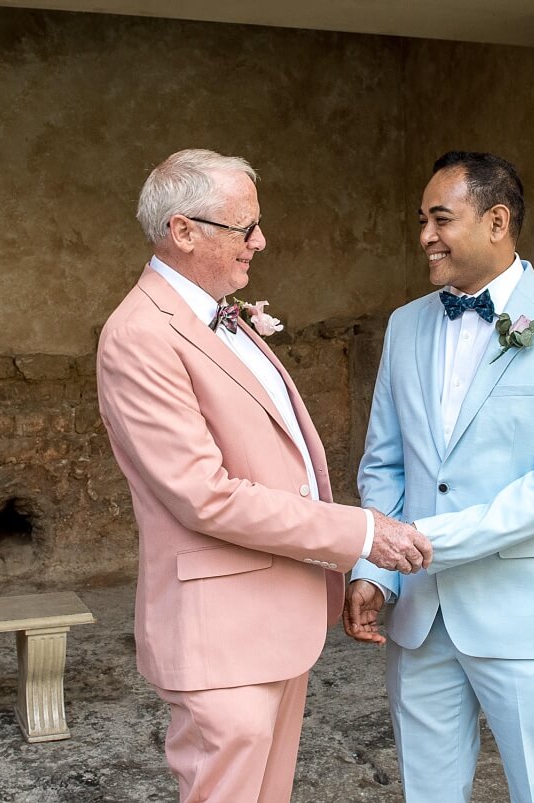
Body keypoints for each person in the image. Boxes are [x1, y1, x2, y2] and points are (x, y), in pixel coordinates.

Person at [96, 148, 432, 803]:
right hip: (219, 629)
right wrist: (360, 532)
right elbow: (206, 496)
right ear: (182, 231)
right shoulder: (139, 334)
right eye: (243, 227)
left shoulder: (227, 316)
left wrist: (329, 571)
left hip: (275, 616)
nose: (261, 240)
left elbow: (284, 461)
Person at [344, 151, 534, 803]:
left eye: (441, 218)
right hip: (420, 615)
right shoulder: (405, 326)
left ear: (497, 221)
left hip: (526, 613)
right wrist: (375, 569)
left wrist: (428, 539)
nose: (424, 236)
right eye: (421, 220)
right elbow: (384, 462)